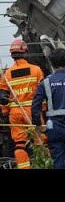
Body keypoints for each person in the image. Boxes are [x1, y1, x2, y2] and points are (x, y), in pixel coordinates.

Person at [0, 39, 45, 169]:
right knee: (40, 141)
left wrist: (5, 113)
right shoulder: (36, 70)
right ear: (25, 52)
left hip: (15, 113)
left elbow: (3, 97)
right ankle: (42, 165)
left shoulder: (7, 74)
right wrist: (43, 110)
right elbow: (42, 93)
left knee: (19, 144)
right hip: (32, 112)